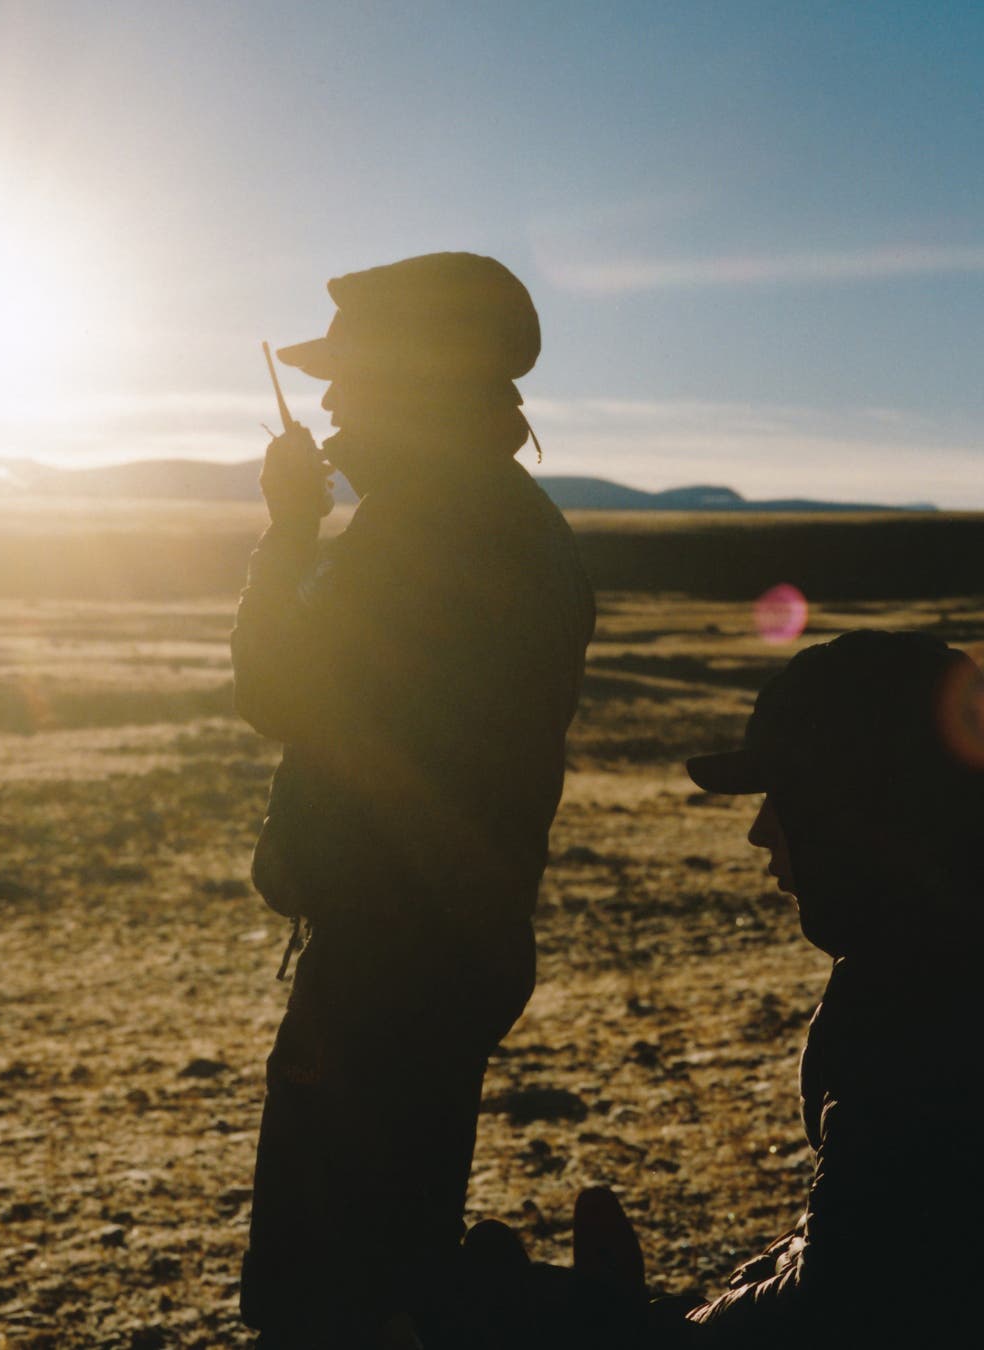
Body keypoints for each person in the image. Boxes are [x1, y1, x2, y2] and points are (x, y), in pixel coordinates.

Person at [232, 251, 596, 1347]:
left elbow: (278, 690)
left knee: (326, 1286)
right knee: (387, 1261)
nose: (332, 404)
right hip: (450, 942)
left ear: (420, 384)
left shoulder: (429, 530)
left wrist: (290, 527)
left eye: (355, 377)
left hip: (394, 955)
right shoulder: (504, 519)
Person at [663, 629, 984, 1348]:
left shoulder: (925, 986)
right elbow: (870, 1235)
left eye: (787, 797)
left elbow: (845, 1294)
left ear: (853, 809)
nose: (759, 830)